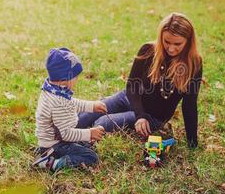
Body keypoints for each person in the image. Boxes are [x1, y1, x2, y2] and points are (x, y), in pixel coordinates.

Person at [78, 12, 203, 148]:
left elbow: (189, 105)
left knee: (103, 123)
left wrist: (192, 142)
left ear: (188, 41)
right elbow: (132, 85)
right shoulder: (148, 50)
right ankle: (55, 137)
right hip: (128, 98)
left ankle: (75, 148)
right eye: (166, 42)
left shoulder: (194, 64)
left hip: (153, 117)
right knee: (88, 115)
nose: (171, 48)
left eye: (178, 43)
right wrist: (139, 115)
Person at [32, 47, 107, 171]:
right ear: (64, 79)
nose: (77, 79)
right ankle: (52, 163)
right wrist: (90, 133)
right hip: (56, 144)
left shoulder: (54, 90)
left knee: (87, 144)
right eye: (75, 77)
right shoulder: (56, 102)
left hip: (56, 139)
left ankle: (47, 152)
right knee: (91, 157)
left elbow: (70, 103)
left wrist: (92, 106)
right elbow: (66, 135)